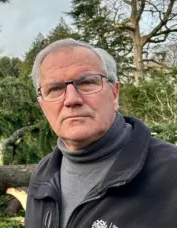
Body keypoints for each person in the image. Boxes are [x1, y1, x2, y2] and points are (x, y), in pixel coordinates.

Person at [24, 38, 177, 228]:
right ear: (43, 106)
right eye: (54, 89)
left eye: (87, 82)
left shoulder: (171, 172)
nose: (71, 100)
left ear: (114, 94)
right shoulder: (42, 176)